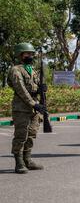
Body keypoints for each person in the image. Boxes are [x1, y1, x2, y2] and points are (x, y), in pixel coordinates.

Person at [8, 42, 45, 173]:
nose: (30, 55)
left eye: (31, 54)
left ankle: (27, 159)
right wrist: (33, 103)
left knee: (32, 134)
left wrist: (40, 91)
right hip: (22, 108)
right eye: (27, 53)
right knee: (21, 135)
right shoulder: (16, 70)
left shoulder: (32, 69)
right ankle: (19, 162)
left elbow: (32, 88)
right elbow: (21, 89)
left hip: (34, 107)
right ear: (20, 55)